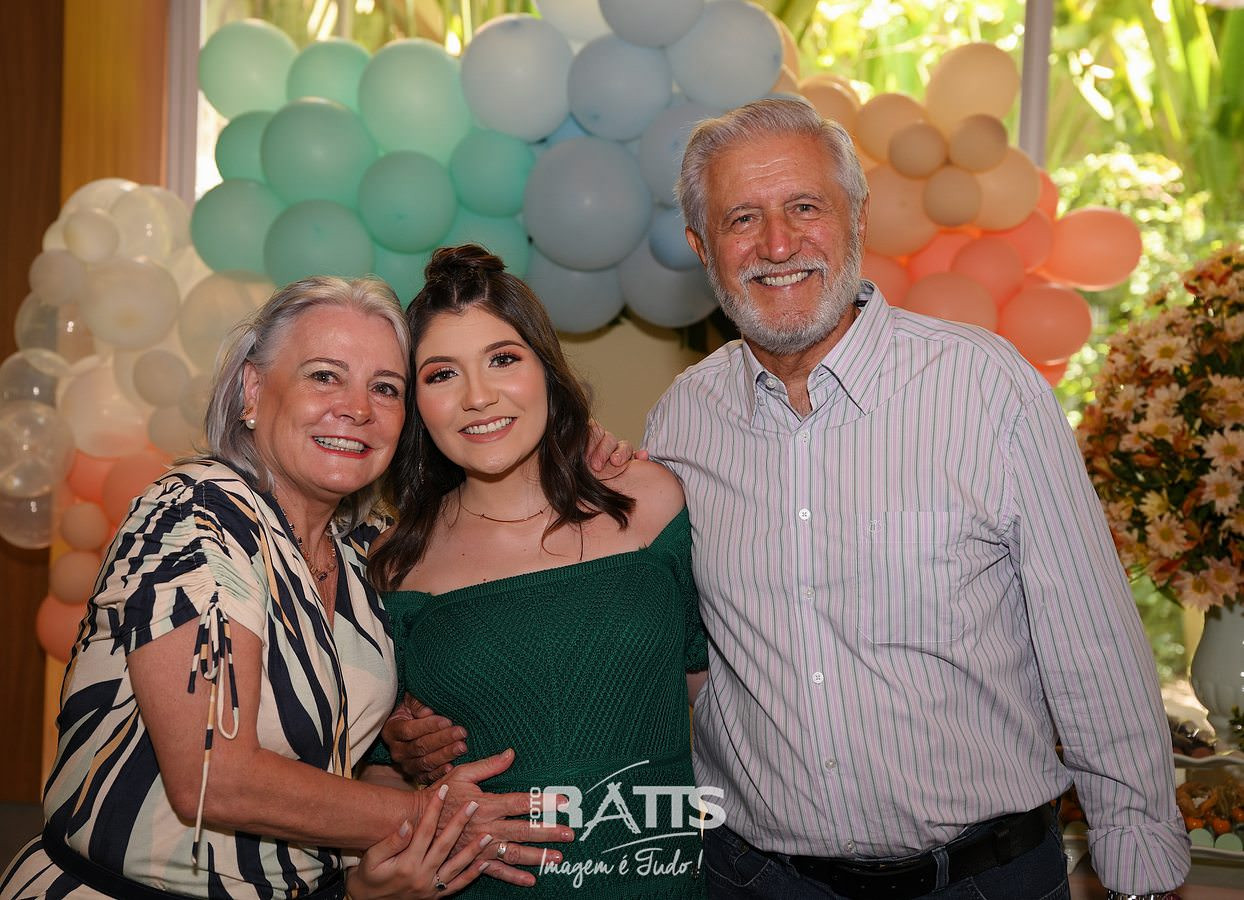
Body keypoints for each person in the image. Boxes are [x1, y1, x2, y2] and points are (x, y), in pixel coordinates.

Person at [639, 97, 1192, 900]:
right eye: (742, 219)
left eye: (805, 207)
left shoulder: (986, 388)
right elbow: (652, 628)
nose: (778, 245)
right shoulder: (680, 421)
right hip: (756, 879)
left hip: (984, 880)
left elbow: (1092, 644)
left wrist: (1139, 864)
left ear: (858, 217)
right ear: (701, 246)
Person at [0, 275, 577, 900]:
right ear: (252, 390)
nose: (357, 409)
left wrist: (400, 740)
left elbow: (336, 748)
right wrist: (431, 817)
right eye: (325, 376)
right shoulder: (196, 516)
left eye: (385, 388)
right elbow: (212, 777)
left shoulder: (365, 550)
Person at [365, 244, 710, 898]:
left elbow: (723, 704)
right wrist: (410, 771)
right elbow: (376, 775)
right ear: (415, 403)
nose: (478, 397)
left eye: (503, 359)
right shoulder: (394, 565)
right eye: (441, 374)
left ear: (546, 370)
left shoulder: (651, 503)